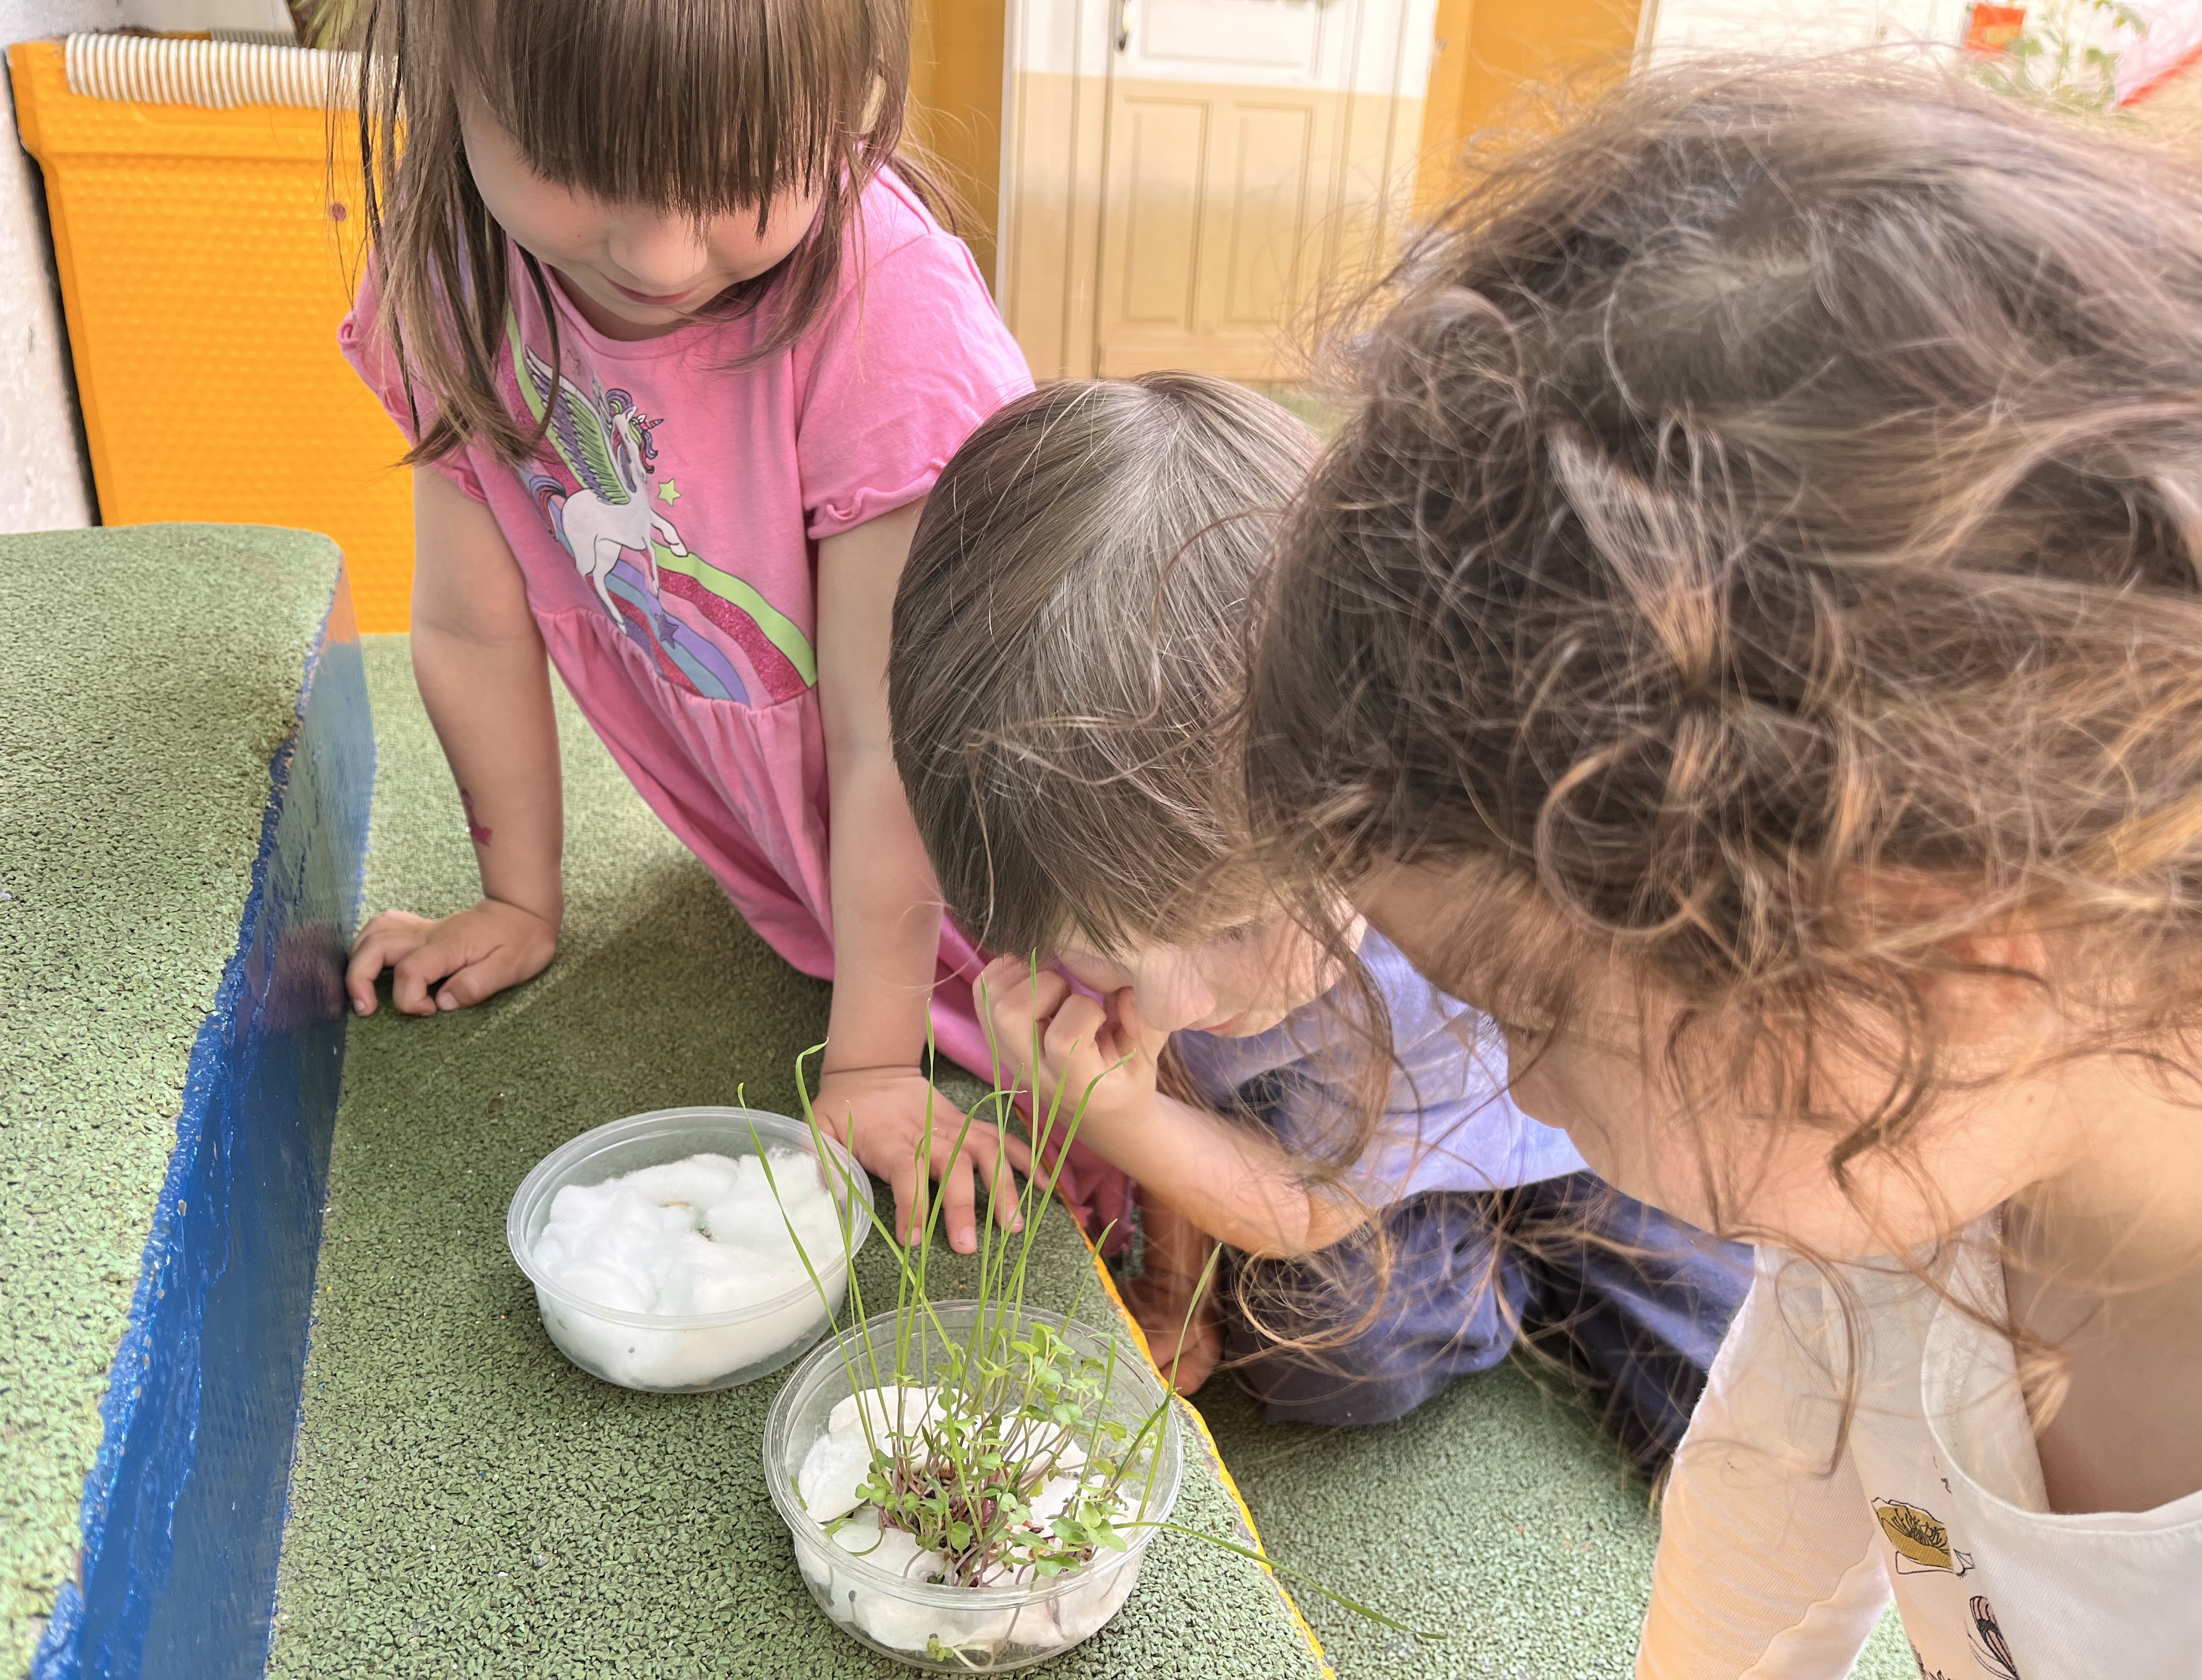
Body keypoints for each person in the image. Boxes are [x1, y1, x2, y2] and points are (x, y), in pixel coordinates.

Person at [1244, 59, 2202, 1678]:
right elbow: (1773, 1486)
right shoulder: (1902, 1170)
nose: (1520, 1086)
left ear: (1926, 971)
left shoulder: (1899, 1121)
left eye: (1529, 1010)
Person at [885, 373, 1748, 1464]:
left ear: (1365, 808)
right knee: (1327, 1362)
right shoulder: (1090, 862)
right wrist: (1173, 1283)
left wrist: (1116, 1120)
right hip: (1342, 1126)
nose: (1171, 1002)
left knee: (1718, 1383)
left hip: (1561, 1130)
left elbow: (1299, 1210)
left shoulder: (1428, 941)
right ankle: (1478, 1254)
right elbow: (1181, 1073)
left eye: (1235, 926)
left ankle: (1536, 1222)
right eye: (1103, 949)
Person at [331, 0, 1036, 1252]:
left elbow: (899, 739)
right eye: (577, 162)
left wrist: (874, 1064)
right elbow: (471, 627)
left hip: (1002, 881)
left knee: (1106, 1127)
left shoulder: (890, 320)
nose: (659, 258)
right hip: (804, 877)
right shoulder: (452, 272)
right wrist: (518, 900)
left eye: (741, 170)